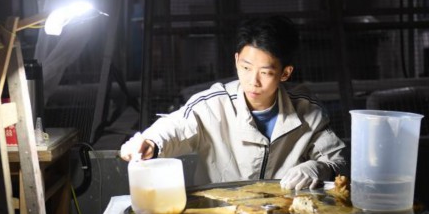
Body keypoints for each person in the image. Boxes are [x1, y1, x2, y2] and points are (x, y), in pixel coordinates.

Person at [120, 15, 348, 189]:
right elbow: (176, 126)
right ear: (237, 60)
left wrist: (318, 168)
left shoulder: (307, 110)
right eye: (246, 68)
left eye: (266, 72)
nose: (253, 81)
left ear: (285, 73)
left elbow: (336, 161)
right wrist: (150, 142)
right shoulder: (213, 105)